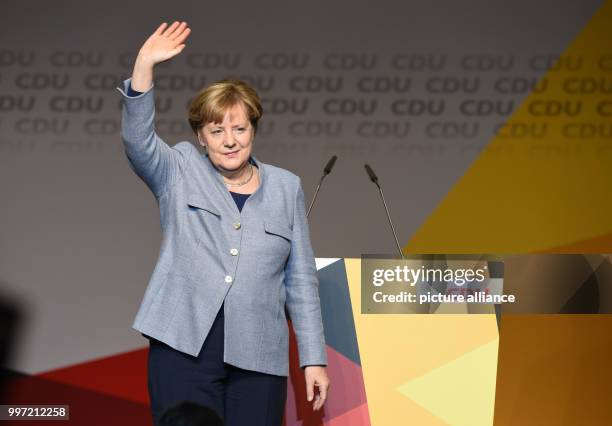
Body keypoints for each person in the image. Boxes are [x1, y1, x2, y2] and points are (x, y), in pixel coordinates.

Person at [116, 21, 330, 426]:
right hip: (183, 348)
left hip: (259, 356)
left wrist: (313, 359)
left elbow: (300, 280)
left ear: (253, 130)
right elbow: (138, 142)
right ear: (201, 136)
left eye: (239, 128)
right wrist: (144, 64)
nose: (229, 140)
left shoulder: (286, 187)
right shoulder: (178, 170)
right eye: (217, 130)